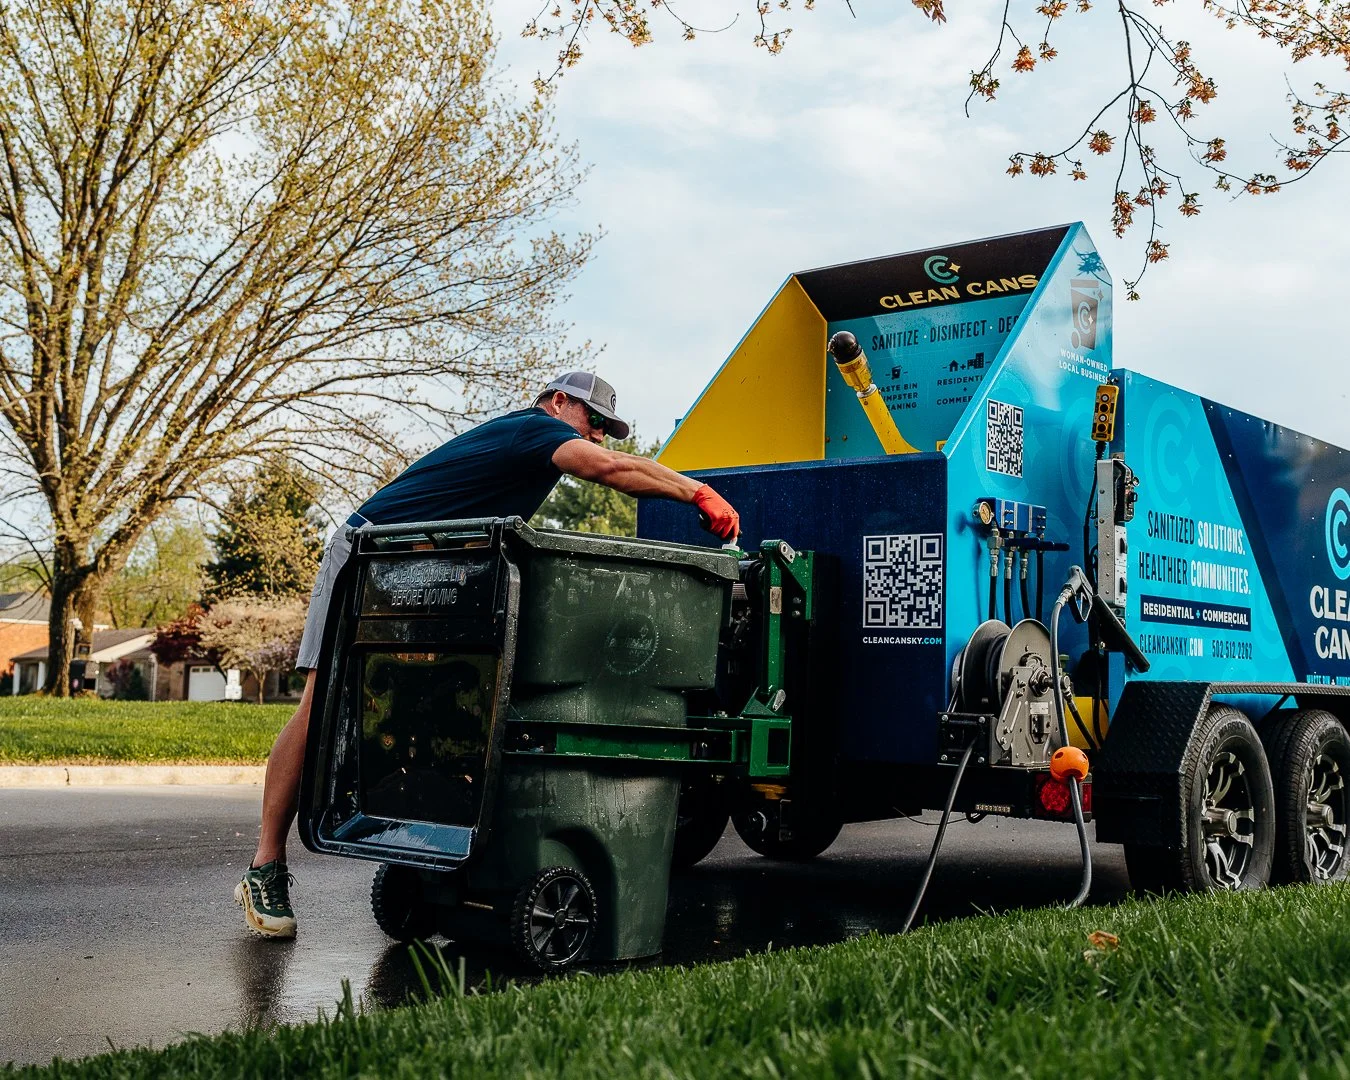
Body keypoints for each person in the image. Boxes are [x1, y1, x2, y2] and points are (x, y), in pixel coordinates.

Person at [235, 371, 740, 938]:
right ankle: (265, 865)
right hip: (373, 550)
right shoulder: (532, 431)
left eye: (607, 431)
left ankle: (424, 847)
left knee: (424, 705)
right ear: (558, 402)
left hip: (431, 565)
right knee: (323, 703)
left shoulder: (530, 456)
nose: (598, 438)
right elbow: (611, 471)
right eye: (594, 422)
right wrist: (695, 490)